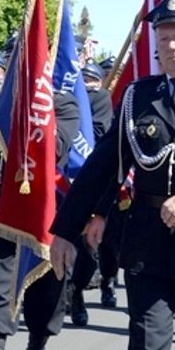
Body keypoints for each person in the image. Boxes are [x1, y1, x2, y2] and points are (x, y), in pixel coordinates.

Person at [51, 0, 175, 350]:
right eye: (165, 38)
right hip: (148, 242)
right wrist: (64, 230)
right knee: (147, 347)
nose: (171, 47)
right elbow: (102, 169)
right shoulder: (137, 97)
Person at [0, 87, 80, 350]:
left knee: (47, 280)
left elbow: (56, 150)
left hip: (45, 205)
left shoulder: (63, 104)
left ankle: (38, 344)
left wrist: (33, 116)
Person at [66, 59, 116, 326]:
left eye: (90, 80)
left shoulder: (98, 100)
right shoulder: (63, 97)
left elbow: (99, 131)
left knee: (89, 248)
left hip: (89, 178)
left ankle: (78, 290)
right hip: (59, 178)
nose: (85, 84)